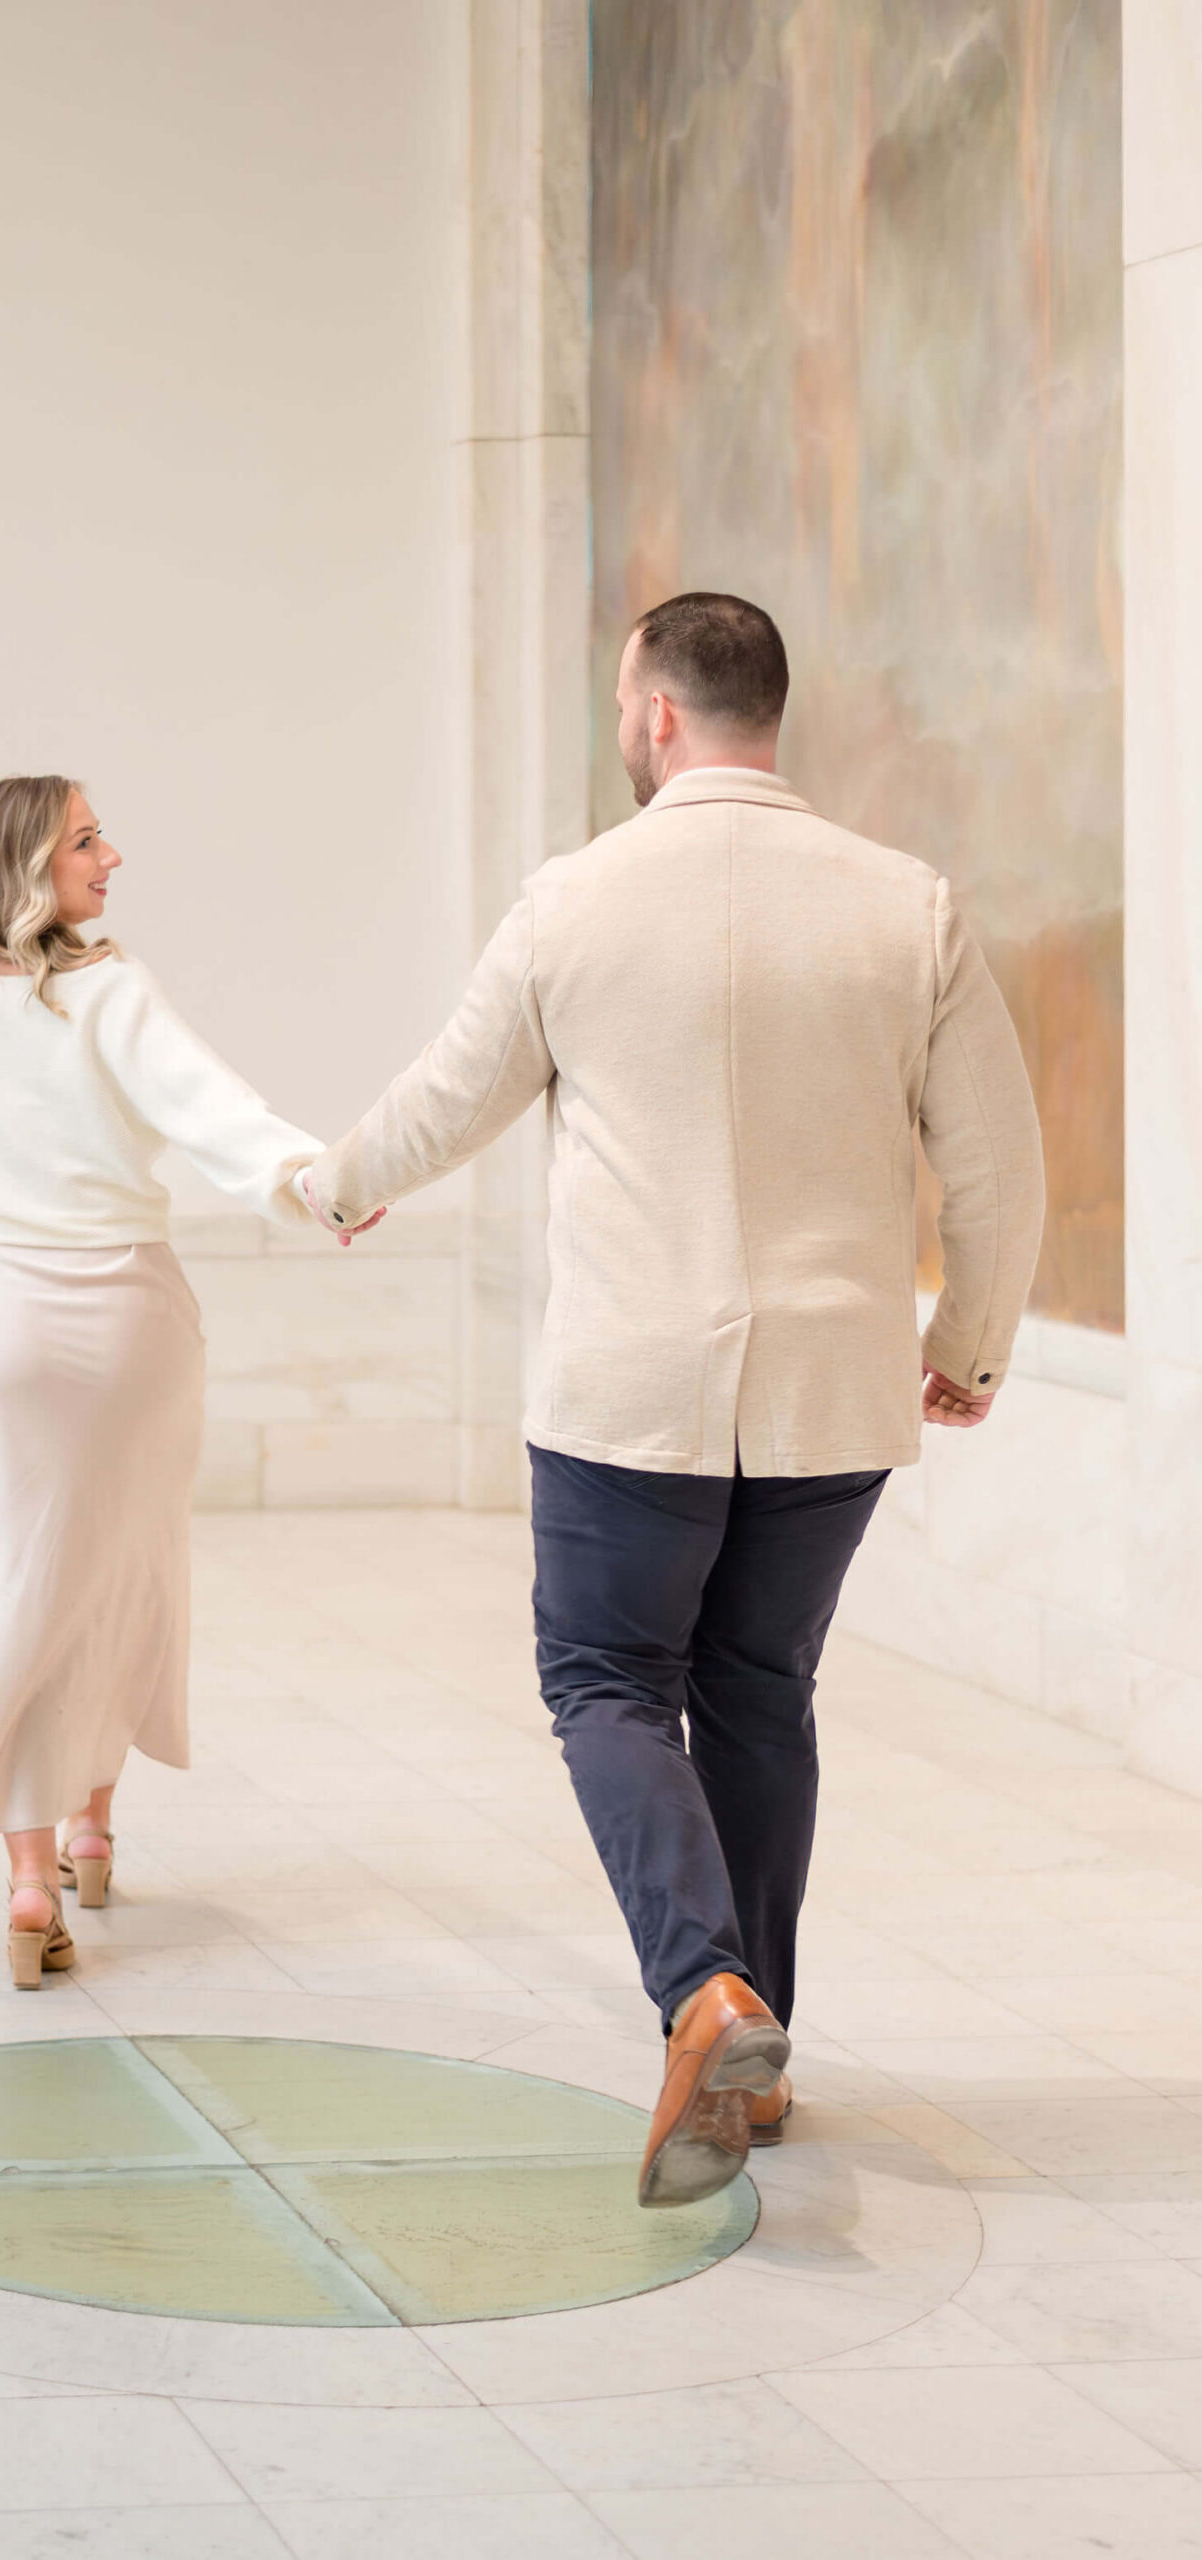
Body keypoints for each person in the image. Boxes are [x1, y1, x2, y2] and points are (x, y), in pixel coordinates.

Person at [303, 593, 1045, 2205]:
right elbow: (998, 1161)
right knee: (758, 1695)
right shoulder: (900, 904)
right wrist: (969, 1342)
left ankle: (702, 1994)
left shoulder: (574, 901)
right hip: (828, 1392)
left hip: (627, 1390)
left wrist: (336, 1181)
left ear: (650, 715)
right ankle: (757, 2058)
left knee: (605, 1685)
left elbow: (449, 1096)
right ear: (765, 712)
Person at [0, 776, 363, 1986]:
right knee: (121, 1566)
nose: (112, 857)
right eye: (87, 840)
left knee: (5, 1578)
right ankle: (92, 1823)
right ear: (30, 863)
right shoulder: (106, 992)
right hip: (124, 1321)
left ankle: (31, 1879)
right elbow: (212, 1111)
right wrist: (314, 1182)